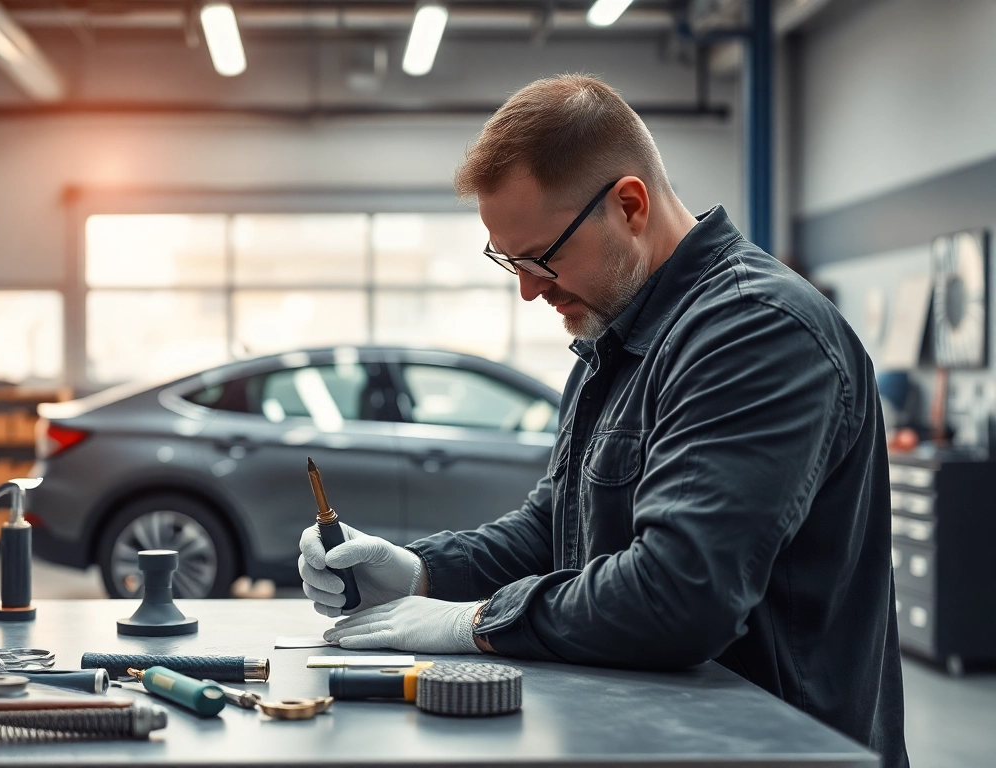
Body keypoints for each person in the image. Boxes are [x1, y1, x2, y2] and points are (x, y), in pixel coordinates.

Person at [298, 74, 907, 768]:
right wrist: (419, 572)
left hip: (774, 748)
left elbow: (680, 595)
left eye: (542, 258)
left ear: (629, 205)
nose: (528, 289)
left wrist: (471, 624)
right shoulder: (615, 339)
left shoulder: (757, 333)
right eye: (509, 261)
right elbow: (554, 527)